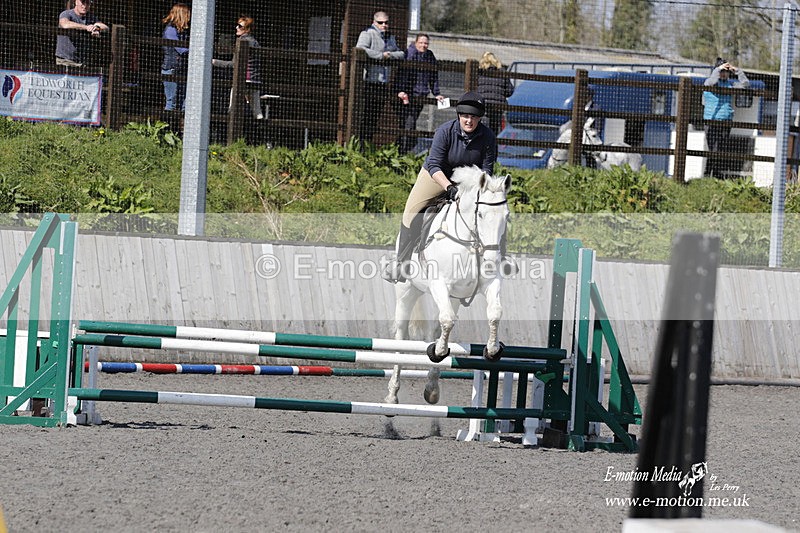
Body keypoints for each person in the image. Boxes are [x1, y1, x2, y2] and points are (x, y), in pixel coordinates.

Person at [383, 91, 515, 283]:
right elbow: (434, 164)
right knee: (411, 211)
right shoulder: (444, 131)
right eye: (465, 116)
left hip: (469, 181)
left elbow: (486, 170)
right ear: (459, 115)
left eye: (474, 117)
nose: (469, 121)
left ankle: (501, 257)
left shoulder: (488, 137)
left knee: (494, 213)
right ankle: (401, 264)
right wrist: (448, 187)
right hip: (436, 176)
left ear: (479, 118)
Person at [355, 11, 405, 145]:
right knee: (366, 115)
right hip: (369, 81)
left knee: (375, 116)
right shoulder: (367, 33)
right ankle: (360, 144)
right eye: (380, 22)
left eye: (386, 22)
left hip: (383, 83)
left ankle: (368, 145)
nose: (384, 25)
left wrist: (390, 55)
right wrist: (380, 56)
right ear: (374, 22)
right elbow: (360, 49)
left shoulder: (390, 37)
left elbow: (400, 53)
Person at [393, 34, 445, 153]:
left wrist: (436, 93)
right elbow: (402, 74)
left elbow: (433, 76)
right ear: (416, 43)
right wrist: (401, 90)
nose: (423, 45)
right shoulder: (409, 54)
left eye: (426, 43)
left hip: (421, 95)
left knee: (410, 122)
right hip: (407, 95)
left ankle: (403, 149)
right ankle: (404, 149)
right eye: (421, 43)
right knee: (408, 122)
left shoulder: (430, 56)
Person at [703, 57, 750, 178]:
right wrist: (718, 69)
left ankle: (714, 174)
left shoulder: (731, 84)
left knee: (721, 148)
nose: (724, 74)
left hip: (726, 121)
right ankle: (710, 173)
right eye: (722, 71)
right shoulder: (709, 82)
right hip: (711, 120)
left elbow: (745, 84)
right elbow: (712, 81)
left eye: (726, 72)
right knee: (713, 148)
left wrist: (737, 71)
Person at [212, 16, 263, 120]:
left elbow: (234, 64)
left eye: (240, 26)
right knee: (257, 113)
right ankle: (261, 132)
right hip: (255, 80)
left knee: (232, 108)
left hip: (243, 79)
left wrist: (214, 62)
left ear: (247, 29)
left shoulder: (242, 42)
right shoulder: (255, 42)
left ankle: (233, 132)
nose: (236, 27)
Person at [55, 0, 109, 68]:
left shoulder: (91, 17)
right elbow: (65, 24)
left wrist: (96, 28)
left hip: (83, 63)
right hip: (65, 61)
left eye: (88, 3)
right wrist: (86, 27)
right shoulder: (66, 14)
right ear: (76, 2)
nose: (85, 6)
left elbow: (105, 27)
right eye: (83, 2)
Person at [161, 3, 191, 112]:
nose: (189, 17)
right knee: (171, 102)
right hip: (171, 68)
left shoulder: (183, 32)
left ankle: (183, 128)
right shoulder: (170, 30)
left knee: (185, 102)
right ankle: (167, 128)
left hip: (182, 69)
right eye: (187, 14)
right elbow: (180, 49)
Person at [476, 52, 514, 135]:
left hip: (482, 105)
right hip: (498, 107)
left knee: (481, 127)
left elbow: (474, 89)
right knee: (494, 130)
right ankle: (493, 145)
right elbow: (509, 91)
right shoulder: (502, 72)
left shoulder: (479, 72)